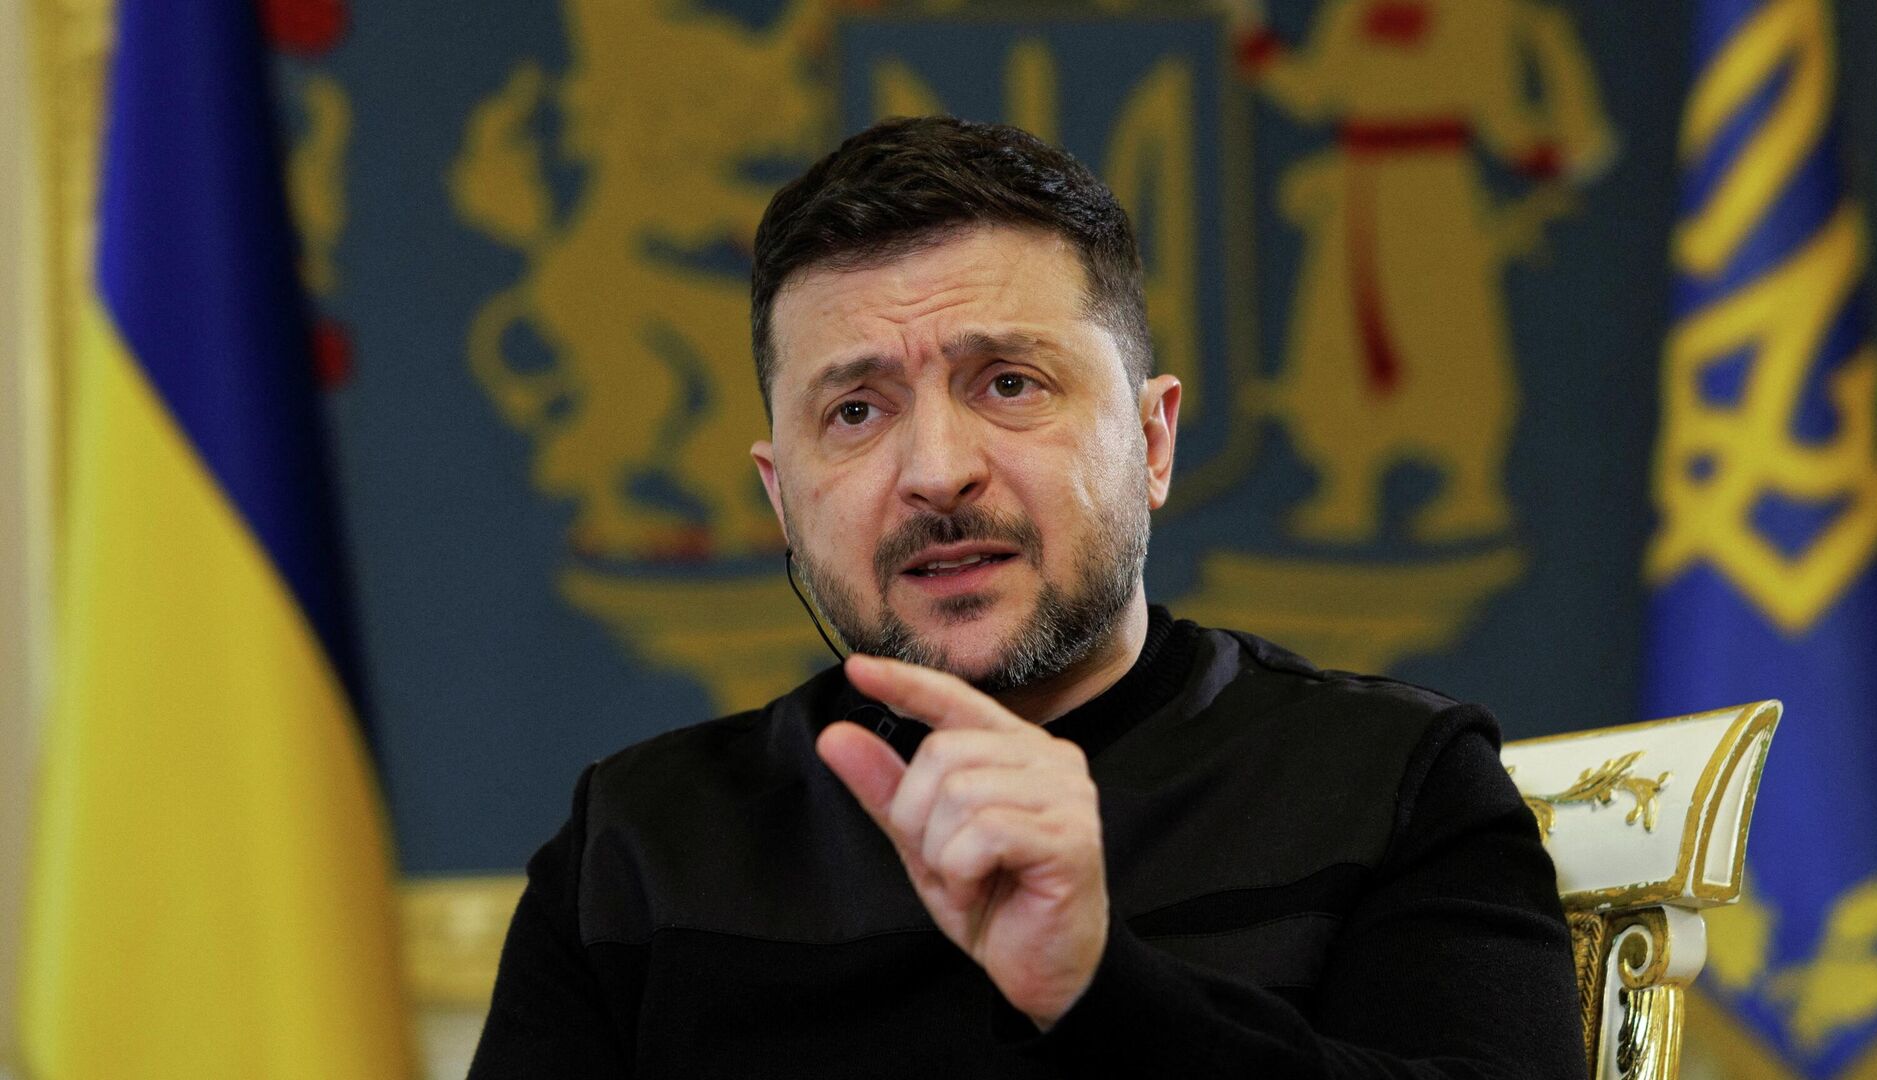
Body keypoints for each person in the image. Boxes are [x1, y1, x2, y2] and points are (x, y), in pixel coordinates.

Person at [468, 116, 1586, 1078]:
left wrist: (1096, 990)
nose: (935, 470)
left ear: (1152, 442)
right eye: (855, 411)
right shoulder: (636, 844)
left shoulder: (1392, 781)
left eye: (1009, 383)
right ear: (782, 497)